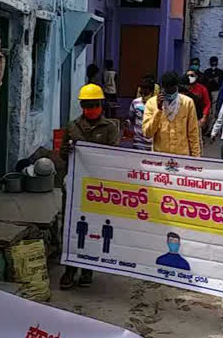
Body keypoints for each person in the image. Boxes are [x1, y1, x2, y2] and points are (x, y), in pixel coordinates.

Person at [59, 83, 120, 289]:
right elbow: (61, 156)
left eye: (94, 105)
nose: (90, 110)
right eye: (86, 105)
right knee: (69, 228)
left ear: (100, 105)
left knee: (93, 228)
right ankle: (69, 269)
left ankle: (87, 270)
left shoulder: (110, 128)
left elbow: (114, 158)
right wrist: (67, 151)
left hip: (97, 189)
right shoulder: (72, 127)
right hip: (76, 185)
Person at [143, 71, 201, 157]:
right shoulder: (152, 103)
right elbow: (147, 133)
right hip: (160, 155)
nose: (169, 92)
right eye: (167, 89)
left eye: (172, 89)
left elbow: (193, 133)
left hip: (182, 155)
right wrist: (158, 110)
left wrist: (196, 157)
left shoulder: (187, 103)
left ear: (177, 87)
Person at [127, 77, 155, 151]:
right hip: (138, 142)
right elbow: (131, 118)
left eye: (146, 92)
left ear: (151, 91)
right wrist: (127, 123)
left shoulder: (156, 104)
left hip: (152, 143)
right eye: (141, 90)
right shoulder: (135, 102)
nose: (143, 94)